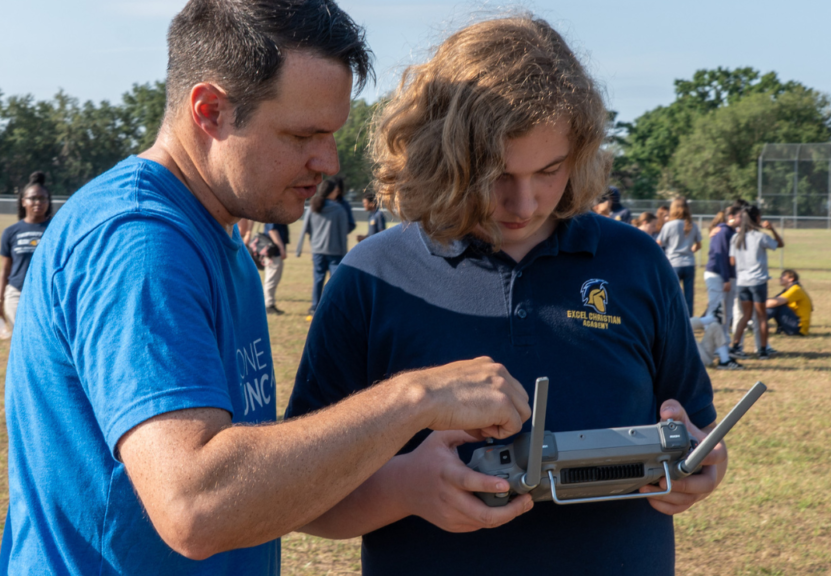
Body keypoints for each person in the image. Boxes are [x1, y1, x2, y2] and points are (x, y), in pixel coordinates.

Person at [0, 3, 533, 575]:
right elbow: (197, 506)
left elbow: (253, 480)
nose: (326, 161)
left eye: (331, 134)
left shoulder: (216, 235)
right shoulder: (142, 245)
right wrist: (416, 398)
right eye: (303, 134)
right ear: (210, 111)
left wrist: (405, 480)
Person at [286, 16, 726, 575]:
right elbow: (302, 498)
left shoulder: (636, 261)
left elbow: (699, 431)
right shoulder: (371, 278)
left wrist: (707, 462)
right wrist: (404, 490)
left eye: (549, 170)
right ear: (441, 155)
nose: (524, 203)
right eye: (495, 174)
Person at [0, 171, 53, 332]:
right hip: (17, 294)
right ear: (23, 201)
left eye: (42, 198)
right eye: (33, 198)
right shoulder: (11, 232)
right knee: (23, 340)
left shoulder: (56, 229)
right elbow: (5, 270)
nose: (38, 202)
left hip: (48, 295)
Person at [728, 205, 784, 360]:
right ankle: (763, 350)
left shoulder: (735, 237)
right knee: (761, 317)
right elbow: (780, 244)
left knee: (745, 316)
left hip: (742, 282)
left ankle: (736, 346)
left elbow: (732, 261)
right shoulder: (760, 237)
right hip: (758, 282)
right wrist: (772, 229)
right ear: (756, 218)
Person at [296, 177, 355, 318]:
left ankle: (314, 306)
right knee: (335, 281)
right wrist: (344, 253)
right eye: (335, 190)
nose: (337, 193)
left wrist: (302, 247)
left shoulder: (313, 207)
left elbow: (306, 228)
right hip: (335, 251)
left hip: (317, 250)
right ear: (330, 192)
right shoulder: (339, 209)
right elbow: (342, 234)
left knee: (318, 278)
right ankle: (335, 307)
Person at [656, 197, 702, 317]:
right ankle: (689, 320)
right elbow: (699, 245)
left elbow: (659, 243)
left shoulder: (669, 225)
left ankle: (674, 318)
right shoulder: (693, 225)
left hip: (673, 264)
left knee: (672, 294)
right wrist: (689, 250)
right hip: (689, 263)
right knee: (689, 295)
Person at [704, 205, 741, 336]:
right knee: (716, 310)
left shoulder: (732, 232)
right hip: (717, 275)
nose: (742, 219)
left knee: (727, 312)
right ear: (730, 217)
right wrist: (726, 279)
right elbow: (721, 257)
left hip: (728, 276)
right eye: (739, 216)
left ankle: (723, 342)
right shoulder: (723, 232)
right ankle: (710, 342)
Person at [765, 269, 812, 336]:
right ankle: (755, 321)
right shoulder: (789, 290)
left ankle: (755, 322)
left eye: (783, 276)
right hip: (794, 326)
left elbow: (774, 302)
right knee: (776, 304)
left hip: (798, 329)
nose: (780, 278)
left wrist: (757, 303)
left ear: (791, 279)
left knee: (778, 304)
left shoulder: (796, 289)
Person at [262, 221, 289, 315]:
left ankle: (269, 303)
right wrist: (281, 248)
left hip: (273, 251)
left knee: (272, 278)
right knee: (271, 279)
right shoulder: (273, 214)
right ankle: (268, 304)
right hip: (273, 252)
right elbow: (272, 230)